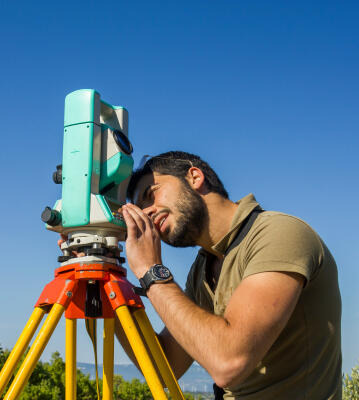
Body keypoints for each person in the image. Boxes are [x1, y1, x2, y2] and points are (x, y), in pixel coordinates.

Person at [119, 151, 342, 399]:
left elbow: (229, 362)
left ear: (194, 177)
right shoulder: (203, 267)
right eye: (139, 209)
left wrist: (151, 272)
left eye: (151, 194)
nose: (146, 213)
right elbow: (166, 366)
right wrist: (111, 278)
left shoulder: (277, 233)